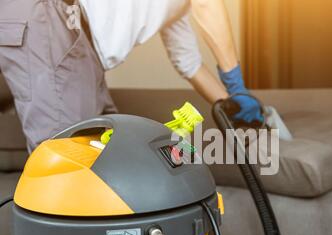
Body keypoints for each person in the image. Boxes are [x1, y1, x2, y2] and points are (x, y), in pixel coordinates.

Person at [0, 0, 263, 151]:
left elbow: (188, 63)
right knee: (67, 158)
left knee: (106, 150)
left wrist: (232, 105)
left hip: (83, 46)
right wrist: (235, 82)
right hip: (54, 17)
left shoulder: (177, 6)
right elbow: (208, 4)